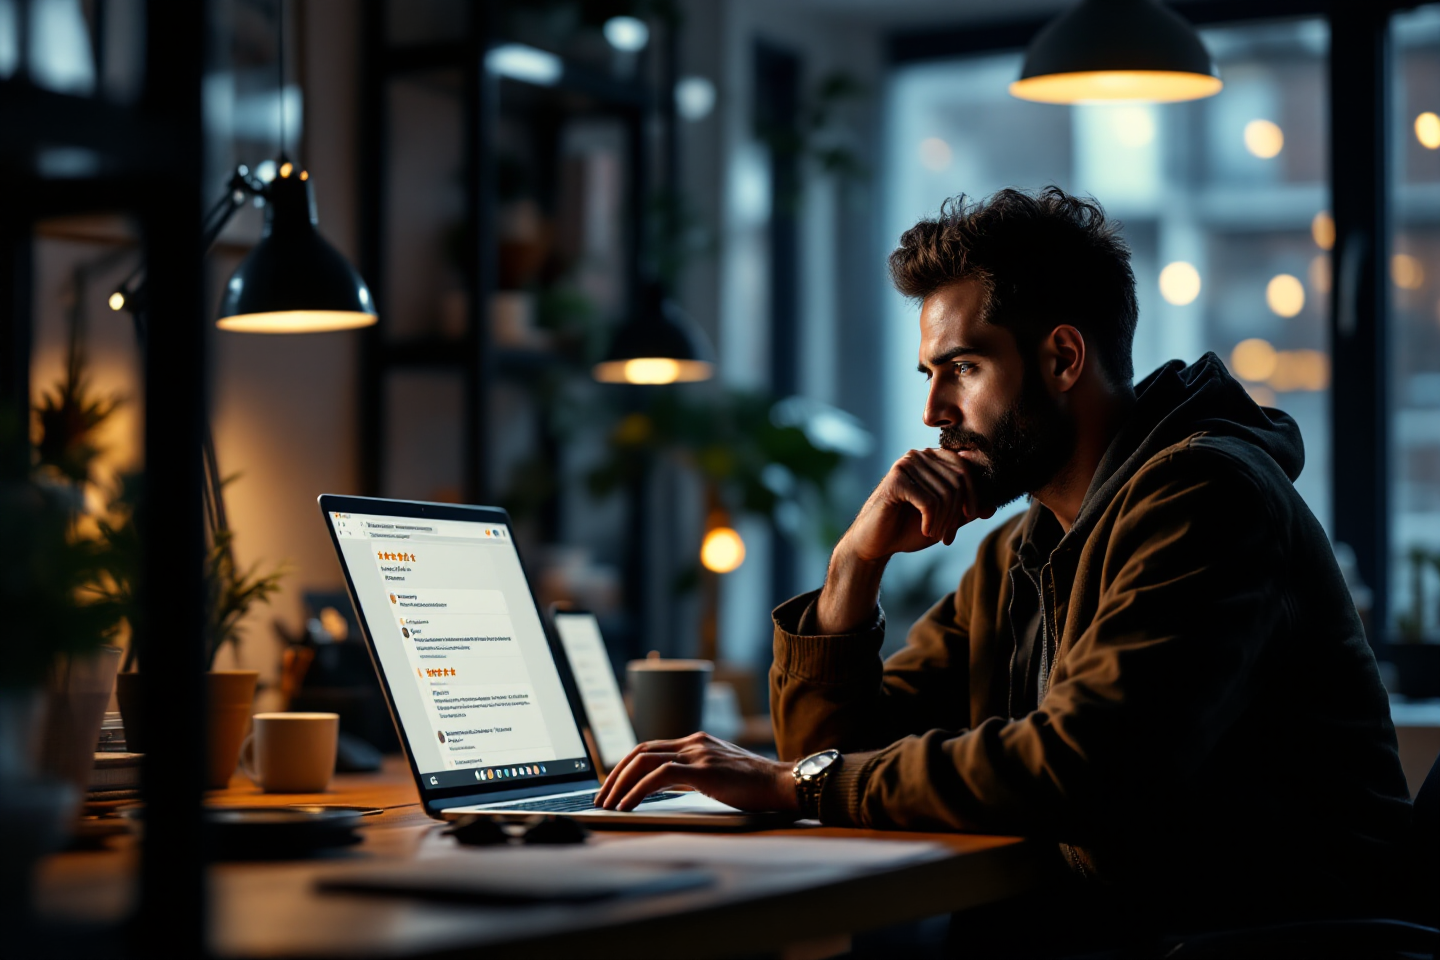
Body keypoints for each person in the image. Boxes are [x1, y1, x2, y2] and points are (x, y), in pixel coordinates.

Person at [596, 187, 1410, 937]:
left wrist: (795, 783)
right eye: (930, 374)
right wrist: (854, 565)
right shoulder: (1023, 549)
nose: (932, 410)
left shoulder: (1206, 499)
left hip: (1258, 942)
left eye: (963, 367)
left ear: (1062, 359)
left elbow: (1086, 766)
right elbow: (839, 749)